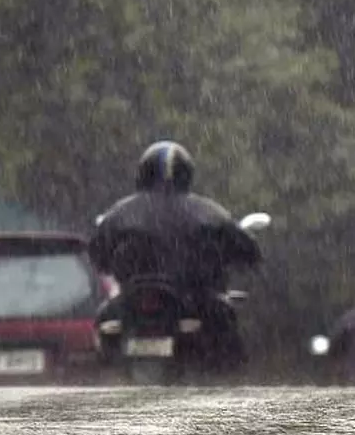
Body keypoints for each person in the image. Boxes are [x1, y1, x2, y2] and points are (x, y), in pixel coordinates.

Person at [89, 140, 261, 370]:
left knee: (104, 318)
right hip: (193, 297)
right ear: (186, 174)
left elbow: (97, 254)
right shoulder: (208, 212)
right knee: (227, 324)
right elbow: (247, 249)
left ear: (143, 173)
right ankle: (228, 377)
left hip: (135, 300)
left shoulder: (120, 213)